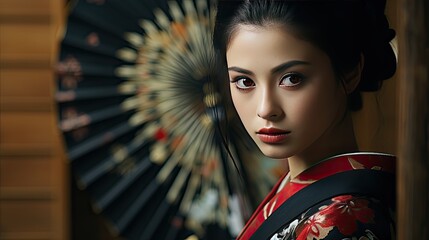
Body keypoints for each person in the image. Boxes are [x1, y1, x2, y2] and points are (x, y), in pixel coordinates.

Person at [212, 0, 397, 239]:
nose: (266, 109)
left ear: (351, 72)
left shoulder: (341, 220)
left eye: (291, 79)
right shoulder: (295, 185)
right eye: (244, 82)